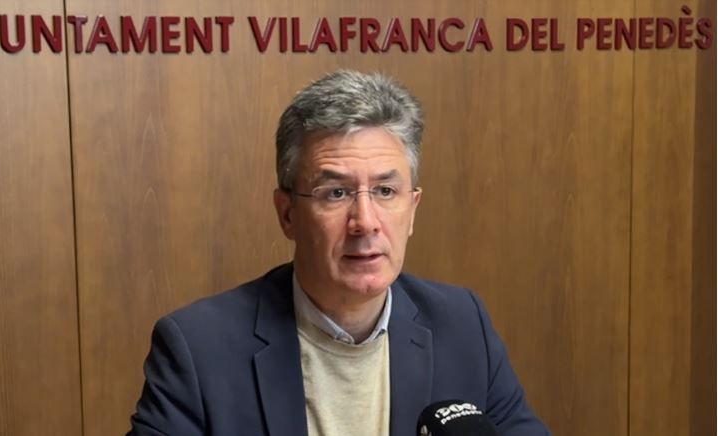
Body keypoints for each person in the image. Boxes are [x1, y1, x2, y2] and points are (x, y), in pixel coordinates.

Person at [128, 70, 550, 436]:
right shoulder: (199, 349)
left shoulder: (463, 326)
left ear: (413, 209)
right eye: (336, 193)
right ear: (287, 213)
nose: (365, 221)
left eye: (385, 191)